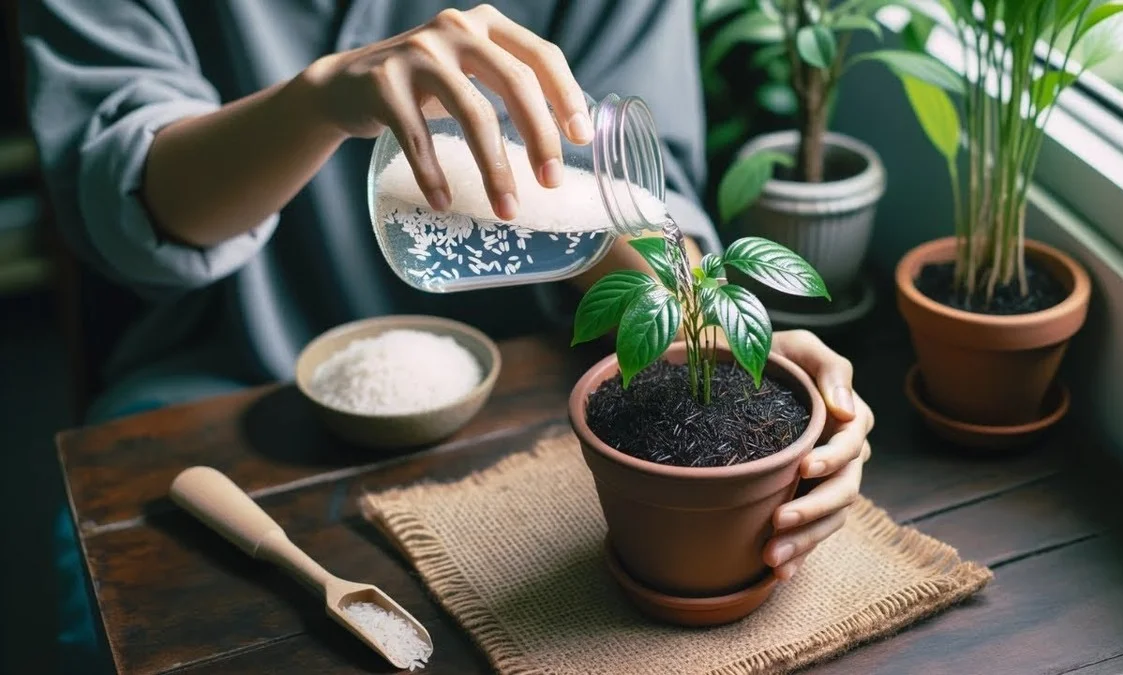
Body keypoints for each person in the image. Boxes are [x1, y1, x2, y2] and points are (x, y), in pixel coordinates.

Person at [21, 1, 873, 670]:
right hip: (234, 374)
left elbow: (634, 200)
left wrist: (722, 334)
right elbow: (132, 197)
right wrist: (322, 98)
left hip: (523, 379)